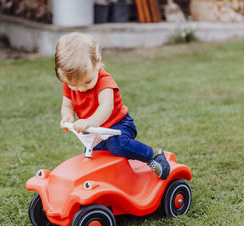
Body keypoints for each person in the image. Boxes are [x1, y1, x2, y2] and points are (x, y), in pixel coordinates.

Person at [55, 32, 170, 180]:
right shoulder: (70, 85)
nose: (81, 89)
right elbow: (67, 105)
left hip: (118, 124)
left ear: (97, 64)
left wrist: (89, 122)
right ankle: (106, 181)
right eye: (73, 85)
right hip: (95, 130)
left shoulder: (105, 82)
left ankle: (153, 155)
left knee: (117, 146)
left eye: (88, 82)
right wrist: (67, 116)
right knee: (93, 155)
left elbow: (106, 108)